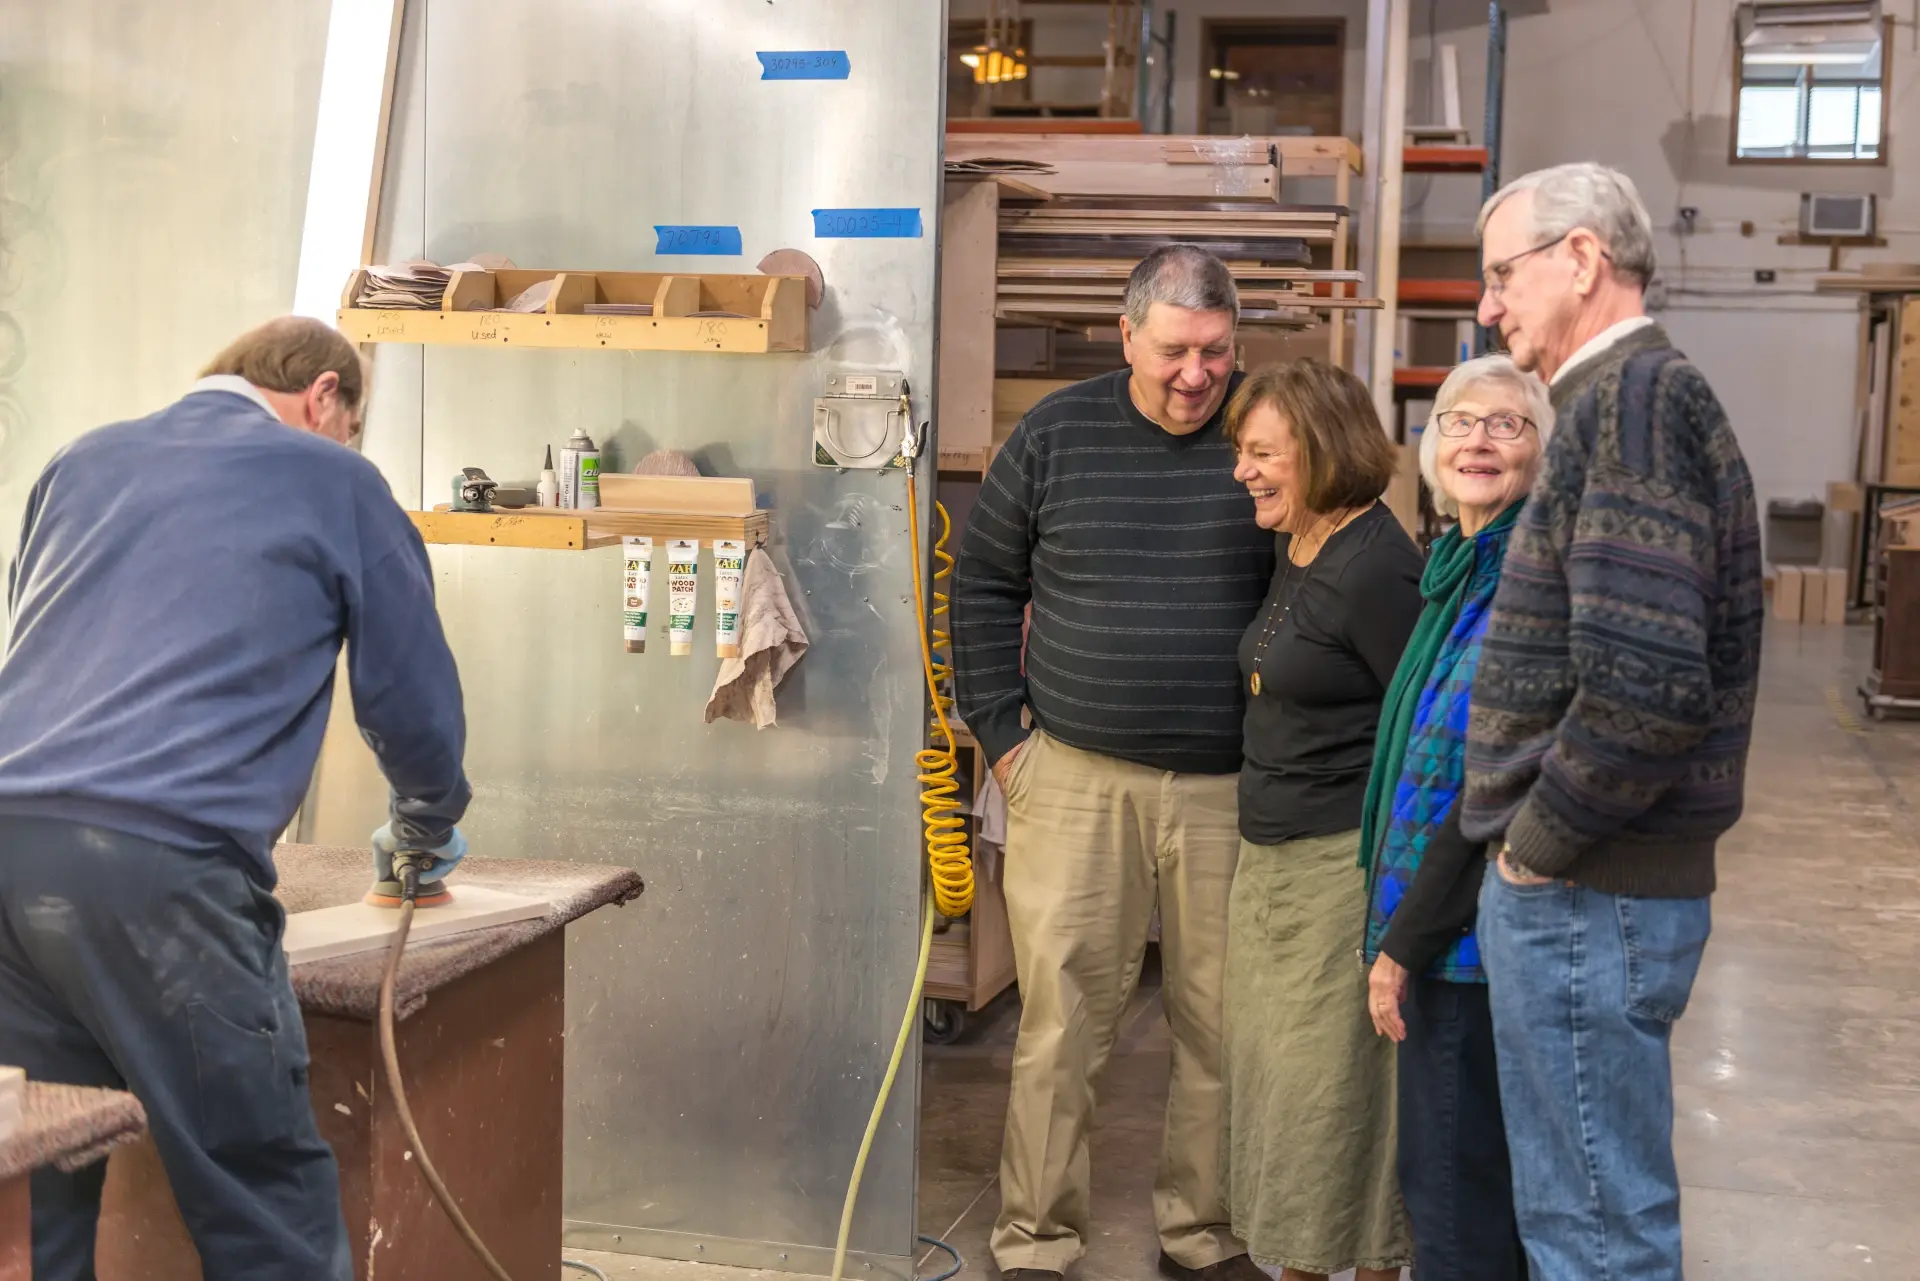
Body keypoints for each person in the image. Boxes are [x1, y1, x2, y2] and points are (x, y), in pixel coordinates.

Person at [0, 316, 472, 1281]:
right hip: (160, 872)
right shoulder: (337, 481)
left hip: (9, 844)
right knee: (262, 1201)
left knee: (36, 1184)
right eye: (352, 428)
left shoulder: (78, 462)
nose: (348, 446)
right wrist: (424, 824)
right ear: (325, 396)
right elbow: (409, 698)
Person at [1463, 162, 1764, 1280]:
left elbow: (1646, 685)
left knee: (1592, 1234)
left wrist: (1537, 847)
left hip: (1591, 889)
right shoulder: (1625, 401)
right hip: (1596, 890)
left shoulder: (1631, 404)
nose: (1489, 306)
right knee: (1586, 1215)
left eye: (1504, 274)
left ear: (1582, 258)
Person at [951, 244, 1272, 1281]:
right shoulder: (1054, 435)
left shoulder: (1265, 435)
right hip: (1073, 778)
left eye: (1216, 351)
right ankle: (1036, 1240)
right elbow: (982, 583)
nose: (1197, 375)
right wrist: (1004, 739)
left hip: (1229, 790)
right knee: (1061, 1026)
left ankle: (1203, 1232)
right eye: (1175, 350)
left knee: (1222, 1026)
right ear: (1126, 334)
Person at [1220, 358, 1422, 1281]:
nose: (1244, 471)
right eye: (1243, 451)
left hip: (1342, 868)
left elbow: (1421, 735)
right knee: (1281, 1093)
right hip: (1272, 860)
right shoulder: (1298, 540)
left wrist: (1399, 906)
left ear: (1324, 451)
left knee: (1335, 1102)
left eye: (1264, 453)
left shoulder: (1378, 567)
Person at [1358, 354, 1553, 1280]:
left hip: (1471, 946)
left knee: (1451, 1201)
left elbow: (1485, 793)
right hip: (1448, 930)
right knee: (1458, 1186)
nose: (1479, 439)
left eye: (1507, 424)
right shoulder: (1459, 571)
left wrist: (1404, 942)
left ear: (1542, 452)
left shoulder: (1521, 582)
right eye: (1460, 421)